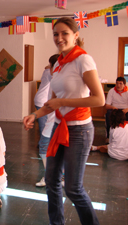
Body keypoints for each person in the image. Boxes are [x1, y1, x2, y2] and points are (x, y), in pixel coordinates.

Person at [23, 17, 104, 225]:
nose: (59, 38)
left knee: (73, 189)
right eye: (56, 34)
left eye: (64, 33)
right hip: (60, 126)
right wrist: (35, 115)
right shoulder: (58, 62)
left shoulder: (83, 60)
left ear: (75, 35)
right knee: (51, 181)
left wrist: (63, 102)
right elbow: (53, 101)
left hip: (79, 130)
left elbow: (99, 98)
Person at [35, 54, 60, 187]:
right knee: (50, 147)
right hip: (54, 120)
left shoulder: (57, 80)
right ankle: (54, 177)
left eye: (50, 66)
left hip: (58, 122)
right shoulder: (55, 80)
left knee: (45, 146)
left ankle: (50, 177)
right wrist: (34, 115)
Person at [105, 77, 128, 143]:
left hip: (125, 109)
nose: (118, 85)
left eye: (120, 84)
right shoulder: (111, 91)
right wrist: (113, 107)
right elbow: (107, 106)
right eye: (117, 83)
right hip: (115, 109)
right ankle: (108, 136)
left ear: (124, 85)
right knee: (109, 113)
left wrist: (126, 109)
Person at [34, 65, 52, 144]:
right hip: (42, 101)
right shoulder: (49, 73)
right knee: (44, 125)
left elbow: (46, 66)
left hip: (41, 99)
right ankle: (43, 143)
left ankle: (43, 142)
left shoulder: (47, 71)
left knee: (45, 124)